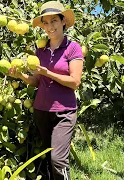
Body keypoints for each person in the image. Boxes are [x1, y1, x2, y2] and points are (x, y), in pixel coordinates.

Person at [7, 1, 84, 180]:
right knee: (48, 155)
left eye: (54, 21)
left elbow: (75, 82)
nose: (50, 26)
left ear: (63, 21)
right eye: (46, 22)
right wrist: (21, 76)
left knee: (59, 159)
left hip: (64, 112)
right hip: (41, 110)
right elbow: (36, 81)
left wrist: (48, 72)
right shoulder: (40, 50)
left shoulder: (73, 48)